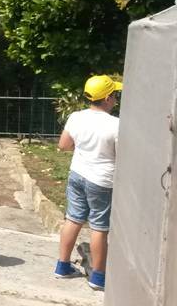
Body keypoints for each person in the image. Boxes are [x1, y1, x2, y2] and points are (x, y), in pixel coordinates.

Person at [54, 75, 121, 291]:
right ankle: (98, 278)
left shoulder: (76, 117)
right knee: (99, 228)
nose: (117, 99)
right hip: (101, 181)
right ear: (108, 98)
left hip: (77, 175)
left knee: (73, 219)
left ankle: (62, 267)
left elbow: (63, 145)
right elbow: (122, 156)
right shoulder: (116, 125)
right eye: (115, 95)